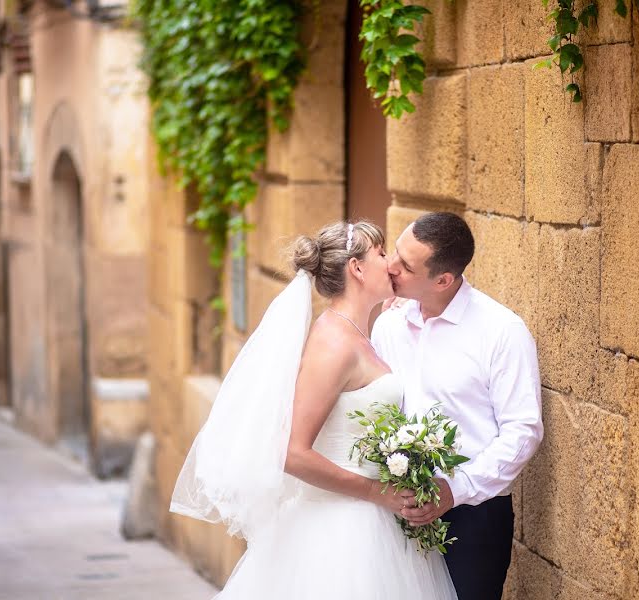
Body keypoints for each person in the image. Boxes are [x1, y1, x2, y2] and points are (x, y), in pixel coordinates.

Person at [171, 221, 457, 600]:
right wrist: (377, 492)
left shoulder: (356, 333)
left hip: (375, 520)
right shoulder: (333, 344)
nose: (390, 264)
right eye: (381, 253)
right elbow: (290, 452)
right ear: (356, 268)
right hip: (343, 529)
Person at [372, 212, 543, 600]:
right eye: (395, 252)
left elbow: (523, 430)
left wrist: (454, 489)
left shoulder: (502, 332)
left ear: (443, 280)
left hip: (472, 518)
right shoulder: (388, 325)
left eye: (406, 264)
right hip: (394, 511)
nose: (390, 266)